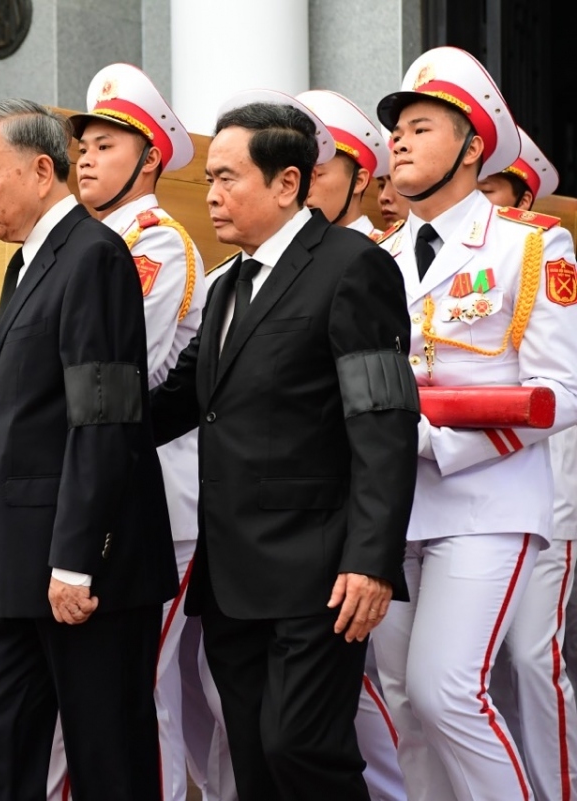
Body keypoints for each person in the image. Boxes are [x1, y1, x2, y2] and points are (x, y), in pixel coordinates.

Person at [149, 94, 419, 800]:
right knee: (256, 760)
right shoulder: (226, 284)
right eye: (209, 178)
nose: (211, 194)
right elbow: (174, 402)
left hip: (319, 572)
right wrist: (50, 412)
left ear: (288, 183)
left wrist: (371, 560)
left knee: (303, 747)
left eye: (228, 177)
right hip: (233, 573)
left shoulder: (352, 267)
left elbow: (383, 419)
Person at [371, 46, 577, 801]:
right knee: (404, 706)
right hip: (394, 510)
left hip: (485, 500)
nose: (398, 139)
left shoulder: (531, 245)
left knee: (446, 689)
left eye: (421, 127)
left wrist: (433, 441)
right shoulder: (378, 257)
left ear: (471, 147)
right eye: (396, 128)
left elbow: (561, 390)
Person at [0, 98, 176, 801]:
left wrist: (76, 560)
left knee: (107, 760)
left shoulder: (94, 256)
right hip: (15, 566)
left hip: (80, 571)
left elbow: (105, 417)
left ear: (41, 169)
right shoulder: (29, 262)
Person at [47, 62, 205, 801]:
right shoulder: (84, 242)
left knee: (138, 689)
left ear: (149, 160)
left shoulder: (157, 242)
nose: (85, 158)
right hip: (93, 488)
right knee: (120, 690)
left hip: (151, 497)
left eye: (106, 145)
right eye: (82, 146)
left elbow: (114, 362)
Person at [297, 87, 408, 801]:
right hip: (303, 524)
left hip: (368, 513)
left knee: (402, 694)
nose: (303, 183)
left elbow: (384, 410)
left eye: (320, 169)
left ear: (359, 178)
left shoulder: (369, 261)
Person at [472, 126, 577, 799]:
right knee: (464, 678)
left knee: (532, 658)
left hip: (546, 497)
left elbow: (555, 391)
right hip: (456, 506)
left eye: (490, 186)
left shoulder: (539, 251)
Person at [300, 90, 392, 238]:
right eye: (301, 176)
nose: (303, 188)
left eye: (316, 175)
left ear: (358, 181)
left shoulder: (387, 255)